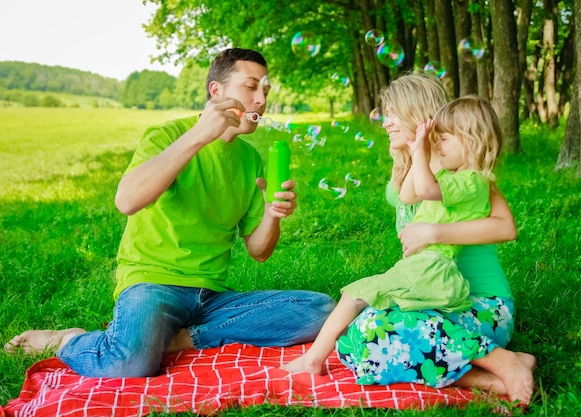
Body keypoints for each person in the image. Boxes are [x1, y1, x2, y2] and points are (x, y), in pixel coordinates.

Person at [4, 48, 336, 378]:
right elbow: (127, 200)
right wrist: (197, 136)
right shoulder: (167, 136)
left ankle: (182, 338)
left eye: (265, 90)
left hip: (210, 295)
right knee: (128, 363)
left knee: (318, 310)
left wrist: (272, 214)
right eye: (250, 87)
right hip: (152, 284)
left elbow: (258, 251)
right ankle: (69, 340)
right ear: (216, 92)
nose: (261, 100)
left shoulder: (250, 160)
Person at [335, 74, 535, 405]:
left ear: (419, 115)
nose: (386, 122)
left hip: (478, 303)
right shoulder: (407, 167)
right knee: (362, 335)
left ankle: (500, 360)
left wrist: (433, 232)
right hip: (431, 296)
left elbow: (505, 228)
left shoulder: (460, 168)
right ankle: (491, 377)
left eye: (394, 113)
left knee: (385, 331)